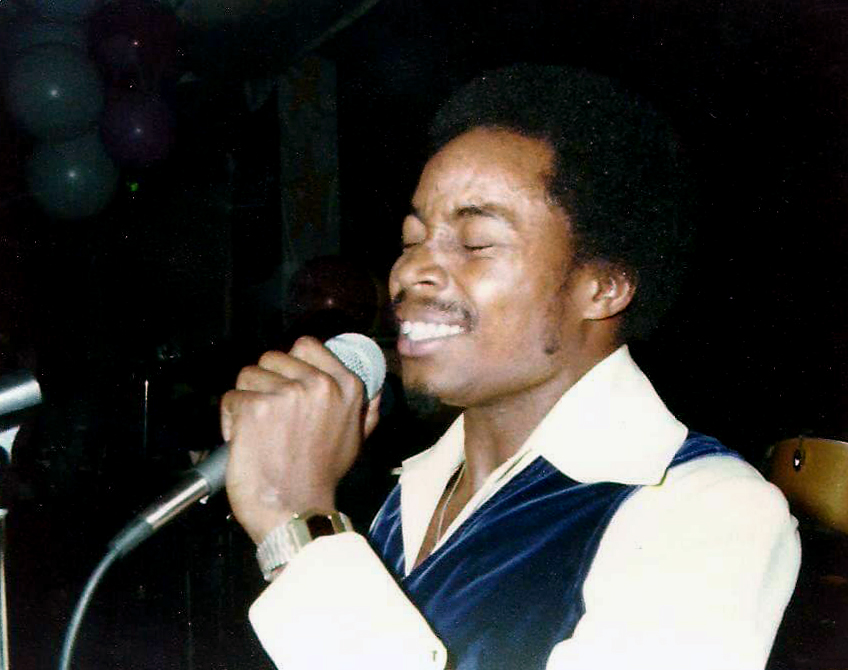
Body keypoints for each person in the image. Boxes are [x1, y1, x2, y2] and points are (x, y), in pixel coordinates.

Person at [220, 65, 801, 670]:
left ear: (603, 287)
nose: (409, 272)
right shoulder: (406, 489)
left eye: (476, 243)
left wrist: (297, 524)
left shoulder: (708, 510)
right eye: (412, 240)